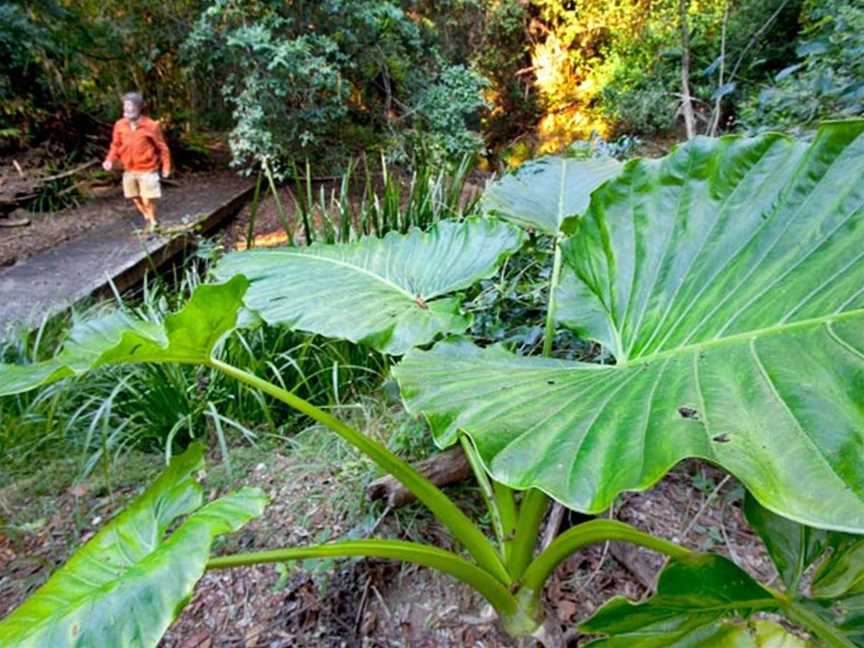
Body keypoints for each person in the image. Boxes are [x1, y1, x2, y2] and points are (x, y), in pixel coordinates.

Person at [102, 92, 172, 233]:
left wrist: (166, 166)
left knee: (147, 198)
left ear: (139, 108)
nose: (127, 110)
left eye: (130, 107)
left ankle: (153, 222)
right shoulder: (119, 125)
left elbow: (162, 148)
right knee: (134, 197)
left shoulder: (151, 125)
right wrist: (109, 160)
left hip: (148, 168)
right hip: (129, 168)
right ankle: (147, 215)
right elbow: (115, 145)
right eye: (125, 107)